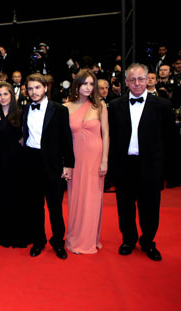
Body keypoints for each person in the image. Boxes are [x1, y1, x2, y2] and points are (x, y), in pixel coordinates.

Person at [109, 63, 176, 261]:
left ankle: (148, 242)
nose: (137, 83)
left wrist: (166, 169)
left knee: (150, 207)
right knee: (125, 206)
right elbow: (111, 138)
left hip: (150, 165)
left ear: (148, 80)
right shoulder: (115, 105)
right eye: (132, 79)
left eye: (141, 79)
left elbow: (170, 140)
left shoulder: (162, 105)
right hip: (124, 165)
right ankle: (128, 240)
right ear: (126, 82)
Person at [22, 73, 74, 259]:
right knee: (35, 206)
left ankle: (58, 242)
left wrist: (68, 164)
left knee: (54, 207)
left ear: (45, 88)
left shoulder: (59, 110)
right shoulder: (26, 109)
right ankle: (39, 240)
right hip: (31, 162)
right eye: (30, 88)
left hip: (52, 164)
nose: (34, 92)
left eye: (37, 88)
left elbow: (67, 139)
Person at [63, 70, 109, 254]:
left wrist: (105, 160)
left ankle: (89, 239)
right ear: (77, 85)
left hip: (95, 158)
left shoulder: (100, 106)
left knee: (92, 199)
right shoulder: (65, 107)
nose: (88, 88)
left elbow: (106, 134)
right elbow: (63, 138)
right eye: (85, 84)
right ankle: (74, 237)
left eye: (91, 84)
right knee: (75, 199)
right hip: (75, 158)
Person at [0, 82, 31, 248]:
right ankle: (2, 235)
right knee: (0, 198)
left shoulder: (21, 114)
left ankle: (18, 235)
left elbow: (25, 137)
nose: (2, 98)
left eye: (5, 94)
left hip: (16, 162)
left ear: (11, 96)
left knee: (17, 197)